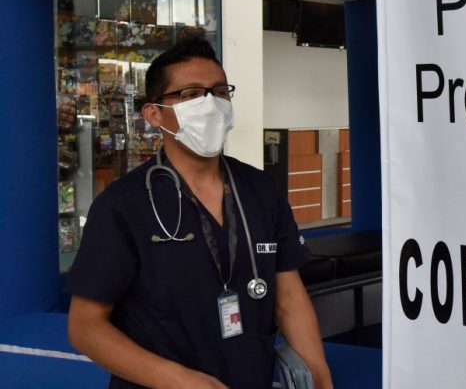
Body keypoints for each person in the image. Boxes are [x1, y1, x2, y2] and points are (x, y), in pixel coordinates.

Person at [66, 38, 333, 389]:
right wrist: (179, 381)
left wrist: (320, 378)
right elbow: (86, 328)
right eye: (191, 94)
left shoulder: (260, 190)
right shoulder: (123, 205)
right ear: (154, 114)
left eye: (219, 91)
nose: (211, 104)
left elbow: (289, 299)